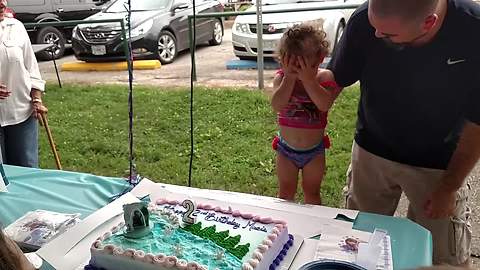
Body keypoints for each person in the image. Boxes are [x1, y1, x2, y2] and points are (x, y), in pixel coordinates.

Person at [328, 0, 480, 266]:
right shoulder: (366, 21)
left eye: (387, 34)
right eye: (374, 27)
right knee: (356, 247)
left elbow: (478, 124)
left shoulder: (473, 30)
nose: (376, 35)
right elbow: (332, 81)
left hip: (440, 163)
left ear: (429, 22)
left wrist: (450, 186)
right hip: (371, 152)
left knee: (442, 259)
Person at [271, 23, 341, 205]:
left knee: (312, 193)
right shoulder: (281, 78)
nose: (298, 69)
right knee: (286, 194)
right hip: (286, 150)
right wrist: (289, 79)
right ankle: (285, 227)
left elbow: (324, 104)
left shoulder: (324, 78)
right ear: (283, 60)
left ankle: (314, 229)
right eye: (293, 63)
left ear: (319, 58)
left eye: (303, 64)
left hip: (314, 152)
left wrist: (309, 81)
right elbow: (277, 105)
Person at [0, 0, 47, 168]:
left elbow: (31, 68)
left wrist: (36, 100)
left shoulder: (16, 27)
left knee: (27, 171)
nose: (2, 4)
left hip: (21, 112)